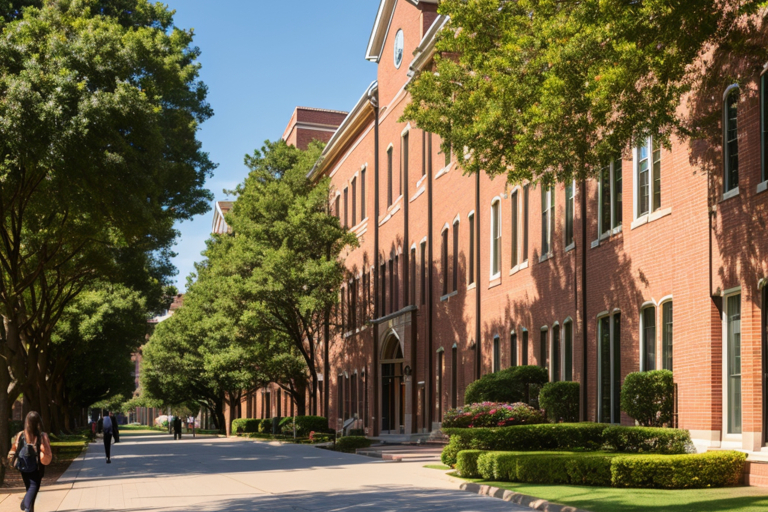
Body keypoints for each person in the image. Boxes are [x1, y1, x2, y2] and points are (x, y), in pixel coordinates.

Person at [8, 411, 52, 512]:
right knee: (34, 487)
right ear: (39, 422)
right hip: (37, 466)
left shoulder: (21, 434)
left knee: (29, 487)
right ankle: (26, 505)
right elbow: (47, 451)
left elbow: (14, 446)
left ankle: (28, 507)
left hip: (23, 466)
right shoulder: (42, 435)